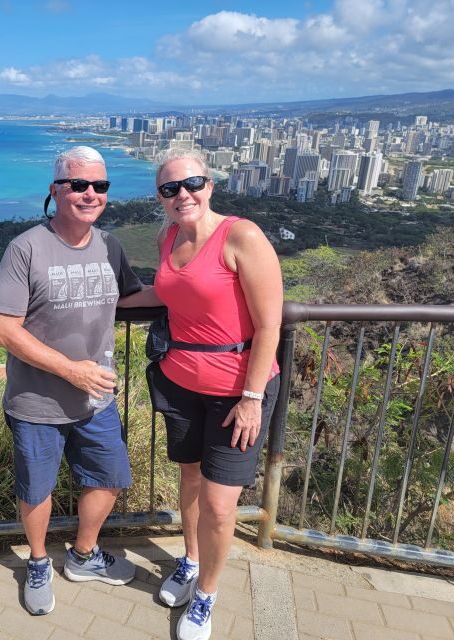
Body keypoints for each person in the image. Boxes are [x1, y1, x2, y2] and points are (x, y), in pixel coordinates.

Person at [118, 148, 283, 640]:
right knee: (190, 479)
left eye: (191, 184)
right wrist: (104, 301)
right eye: (170, 188)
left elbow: (269, 324)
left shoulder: (240, 235)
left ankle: (206, 595)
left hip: (238, 393)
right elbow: (166, 293)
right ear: (160, 198)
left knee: (219, 502)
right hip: (181, 382)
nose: (182, 195)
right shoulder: (167, 236)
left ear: (210, 185)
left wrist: (252, 397)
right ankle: (189, 560)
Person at [0, 146, 144, 616]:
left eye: (99, 185)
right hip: (37, 400)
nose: (90, 193)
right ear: (56, 190)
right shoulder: (26, 248)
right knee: (37, 489)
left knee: (110, 478)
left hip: (96, 399)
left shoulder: (110, 246)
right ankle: (38, 562)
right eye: (78, 184)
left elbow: (137, 297)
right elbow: (3, 329)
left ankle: (83, 555)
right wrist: (70, 369)